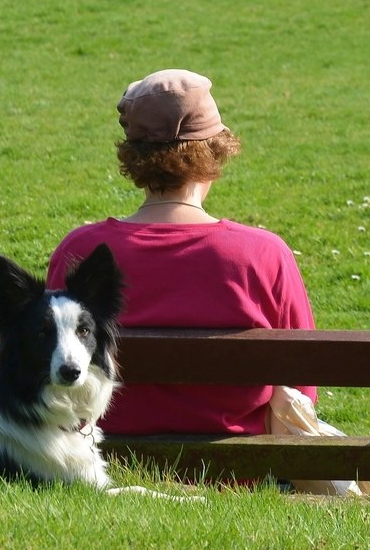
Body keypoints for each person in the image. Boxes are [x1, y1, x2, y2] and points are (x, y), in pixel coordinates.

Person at [47, 69, 316, 436]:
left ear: (134, 157)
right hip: (242, 473)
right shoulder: (264, 255)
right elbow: (302, 385)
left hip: (106, 463)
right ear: (215, 152)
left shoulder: (81, 251)